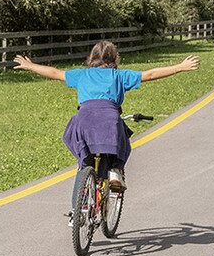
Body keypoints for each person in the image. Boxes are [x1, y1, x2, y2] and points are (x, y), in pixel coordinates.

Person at [12, 40, 199, 191]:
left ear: (92, 57)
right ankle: (116, 171)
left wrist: (30, 66)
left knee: (85, 163)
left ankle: (78, 208)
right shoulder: (119, 76)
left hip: (83, 120)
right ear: (114, 58)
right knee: (123, 139)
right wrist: (179, 67)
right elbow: (149, 74)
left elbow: (55, 72)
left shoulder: (82, 75)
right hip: (109, 119)